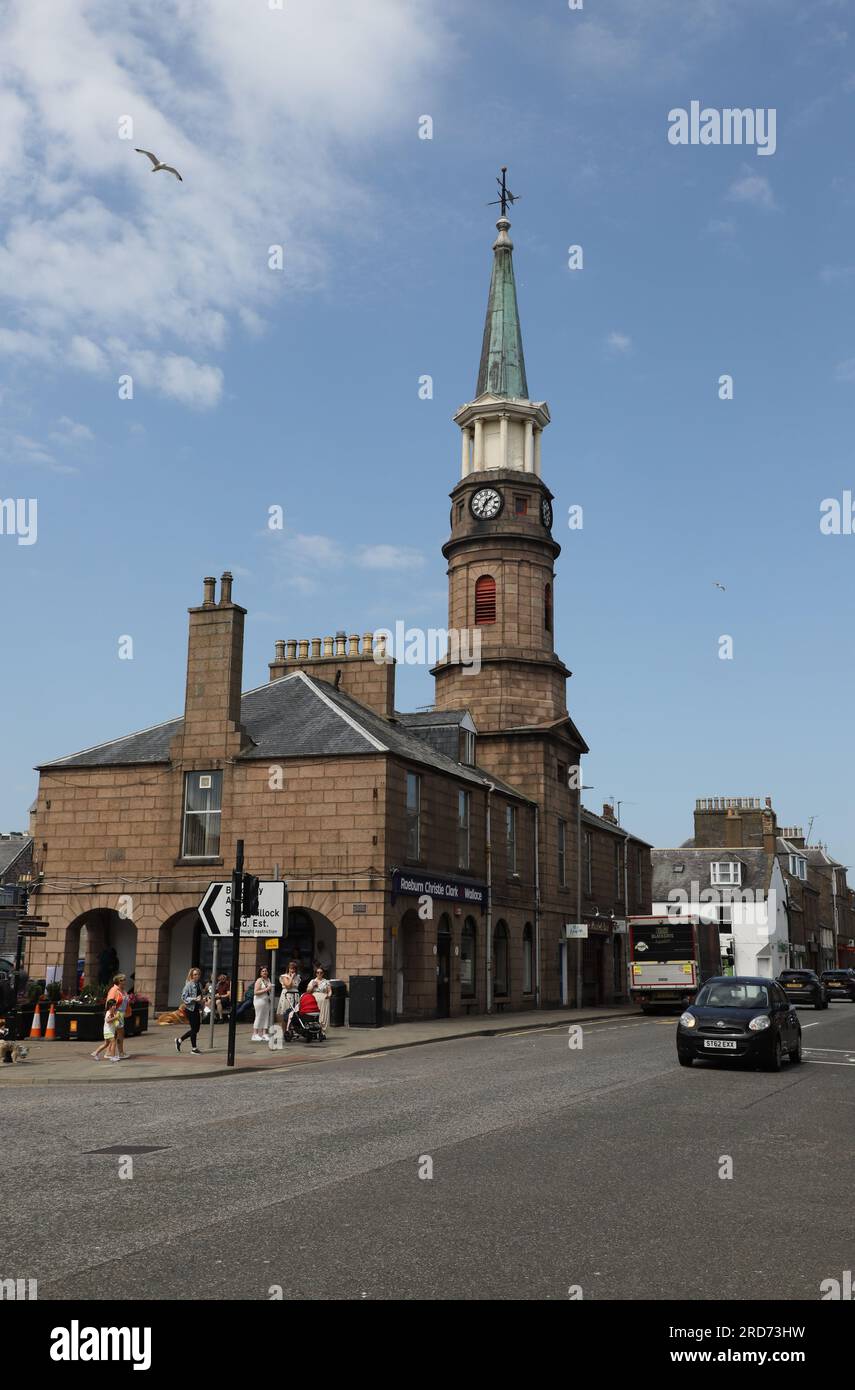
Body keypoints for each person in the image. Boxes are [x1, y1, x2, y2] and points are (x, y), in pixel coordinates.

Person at [176, 968, 203, 1054]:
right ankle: (194, 1048)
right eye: (195, 974)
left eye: (198, 974)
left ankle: (179, 1040)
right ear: (192, 976)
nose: (197, 976)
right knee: (194, 1029)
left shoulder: (199, 984)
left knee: (196, 1029)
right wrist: (194, 999)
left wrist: (202, 1000)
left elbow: (200, 996)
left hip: (197, 1008)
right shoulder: (189, 985)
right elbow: (183, 997)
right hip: (190, 1009)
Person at [105, 973, 131, 1059]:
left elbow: (126, 1002)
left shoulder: (123, 990)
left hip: (121, 1014)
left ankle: (113, 1052)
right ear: (119, 981)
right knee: (117, 1033)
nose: (125, 982)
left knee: (118, 1033)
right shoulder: (114, 990)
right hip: (116, 1013)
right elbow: (109, 1002)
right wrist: (112, 1014)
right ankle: (118, 1053)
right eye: (123, 980)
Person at [277, 961, 301, 1037]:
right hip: (287, 995)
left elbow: (296, 986)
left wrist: (294, 977)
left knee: (294, 1014)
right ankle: (285, 1032)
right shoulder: (284, 976)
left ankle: (292, 1030)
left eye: (294, 968)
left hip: (295, 995)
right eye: (291, 968)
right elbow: (288, 986)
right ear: (288, 969)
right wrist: (291, 977)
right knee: (286, 1014)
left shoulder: (298, 977)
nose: (292, 970)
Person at [308, 964, 332, 1032]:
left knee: (323, 1016)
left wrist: (329, 996)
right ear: (315, 973)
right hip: (314, 1001)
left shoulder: (326, 982)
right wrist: (312, 986)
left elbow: (330, 991)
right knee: (315, 1015)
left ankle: (322, 1031)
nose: (319, 974)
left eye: (321, 972)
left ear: (323, 973)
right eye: (318, 972)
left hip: (324, 1000)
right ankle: (314, 1030)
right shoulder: (312, 981)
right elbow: (308, 991)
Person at [252, 967, 273, 1041]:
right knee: (259, 1016)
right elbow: (256, 992)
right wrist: (267, 989)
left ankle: (264, 1033)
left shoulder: (268, 980)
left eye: (266, 971)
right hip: (259, 1000)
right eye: (263, 971)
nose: (265, 972)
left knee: (266, 1016)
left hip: (266, 1000)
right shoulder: (259, 980)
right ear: (260, 973)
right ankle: (255, 1034)